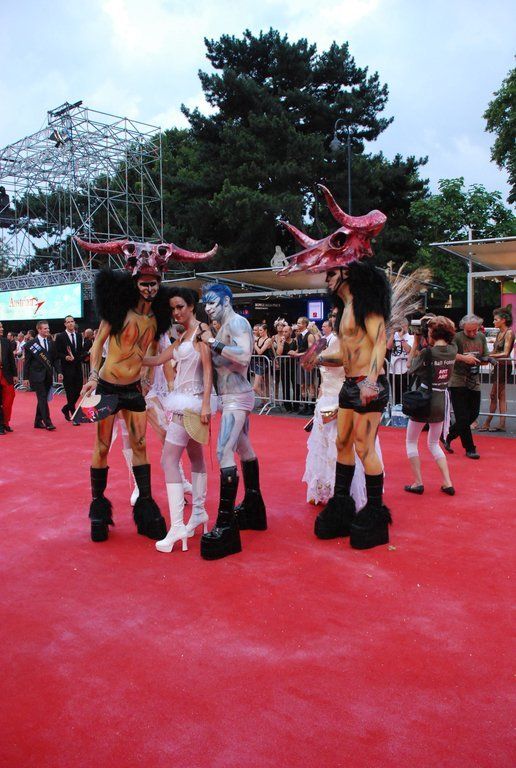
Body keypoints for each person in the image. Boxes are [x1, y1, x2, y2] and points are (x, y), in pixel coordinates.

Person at [76, 236, 216, 542]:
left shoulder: (156, 320)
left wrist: (150, 377)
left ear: (159, 284)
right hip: (107, 387)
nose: (149, 288)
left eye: (154, 283)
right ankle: (98, 510)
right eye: (144, 283)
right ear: (135, 282)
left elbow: (153, 352)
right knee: (102, 446)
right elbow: (98, 345)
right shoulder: (118, 312)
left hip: (134, 391)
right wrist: (94, 376)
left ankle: (146, 508)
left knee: (140, 445)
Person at [280, 183, 391, 549]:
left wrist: (371, 381)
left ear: (344, 270)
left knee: (364, 448)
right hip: (349, 385)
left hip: (368, 386)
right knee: (343, 443)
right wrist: (316, 357)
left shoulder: (366, 303)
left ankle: (375, 513)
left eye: (330, 273)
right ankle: (342, 507)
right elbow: (345, 355)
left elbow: (380, 342)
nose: (326, 278)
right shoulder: (344, 311)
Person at [143, 288, 217, 553]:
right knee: (195, 457)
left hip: (192, 405)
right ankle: (198, 513)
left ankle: (177, 526)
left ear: (192, 306)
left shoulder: (201, 332)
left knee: (168, 459)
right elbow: (157, 360)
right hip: (185, 403)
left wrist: (206, 404)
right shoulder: (183, 336)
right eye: (172, 308)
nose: (176, 312)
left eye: (180, 307)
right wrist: (129, 354)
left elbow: (208, 370)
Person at [196, 283, 267, 560]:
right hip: (231, 397)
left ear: (226, 301)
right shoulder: (223, 326)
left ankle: (226, 524)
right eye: (206, 304)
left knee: (223, 451)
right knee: (243, 448)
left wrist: (212, 342)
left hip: (237, 398)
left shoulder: (237, 322)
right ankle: (253, 506)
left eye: (213, 303)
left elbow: (244, 355)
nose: (208, 308)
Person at [303, 336, 383, 508]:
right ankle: (327, 490)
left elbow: (346, 361)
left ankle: (352, 496)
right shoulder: (326, 341)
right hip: (326, 401)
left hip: (345, 400)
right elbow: (318, 371)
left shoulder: (357, 342)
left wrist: (317, 358)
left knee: (349, 448)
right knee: (327, 448)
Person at [404, 316, 457, 495]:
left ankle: (418, 482)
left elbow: (410, 367)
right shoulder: (453, 350)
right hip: (441, 400)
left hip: (424, 399)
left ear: (432, 333)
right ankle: (447, 482)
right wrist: (437, 321)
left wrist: (416, 342)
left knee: (411, 441)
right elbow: (451, 332)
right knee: (434, 443)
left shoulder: (428, 352)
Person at [442, 314, 488, 459]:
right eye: (469, 331)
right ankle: (470, 448)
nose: (473, 333)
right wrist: (464, 358)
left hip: (474, 380)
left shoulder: (481, 337)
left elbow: (484, 356)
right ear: (463, 328)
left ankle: (448, 434)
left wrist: (486, 359)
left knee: (473, 414)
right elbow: (448, 353)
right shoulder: (457, 337)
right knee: (462, 416)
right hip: (457, 380)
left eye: (475, 330)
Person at [478, 305, 514, 432]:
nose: (493, 321)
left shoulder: (509, 333)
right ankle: (501, 423)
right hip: (498, 366)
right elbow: (495, 351)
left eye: (495, 319)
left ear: (503, 320)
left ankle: (488, 422)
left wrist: (487, 356)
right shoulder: (500, 333)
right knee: (500, 395)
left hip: (504, 366)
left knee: (494, 394)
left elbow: (505, 353)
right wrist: (486, 355)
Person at [23, 320, 61, 430]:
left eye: (48, 328)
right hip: (36, 376)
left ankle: (37, 421)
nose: (48, 330)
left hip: (48, 375)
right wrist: (25, 377)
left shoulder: (51, 343)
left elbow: (55, 359)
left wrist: (59, 372)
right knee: (42, 397)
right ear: (39, 330)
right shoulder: (31, 344)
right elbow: (27, 363)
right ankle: (48, 422)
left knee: (42, 399)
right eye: (45, 328)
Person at [55, 315, 85, 425]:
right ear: (65, 324)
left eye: (72, 321)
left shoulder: (79, 336)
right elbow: (57, 352)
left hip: (77, 367)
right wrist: (65, 357)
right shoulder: (60, 336)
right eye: (68, 322)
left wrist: (85, 355)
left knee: (79, 389)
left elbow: (80, 351)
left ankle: (66, 408)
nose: (70, 323)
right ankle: (74, 415)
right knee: (70, 391)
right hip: (66, 368)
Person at [386, 318, 413, 405]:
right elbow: (388, 347)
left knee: (405, 395)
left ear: (406, 326)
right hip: (393, 371)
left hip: (405, 371)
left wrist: (401, 338)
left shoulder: (411, 337)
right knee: (395, 395)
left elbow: (408, 350)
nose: (400, 327)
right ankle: (396, 409)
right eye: (399, 325)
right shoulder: (394, 336)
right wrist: (392, 334)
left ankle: (405, 410)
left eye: (402, 325)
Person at [0, 321, 18, 433]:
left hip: (6, 375)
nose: (2, 329)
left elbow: (11, 359)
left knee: (9, 399)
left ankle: (6, 422)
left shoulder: (6, 342)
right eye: (0, 327)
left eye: (2, 327)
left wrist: (15, 374)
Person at [252, 323, 274, 400]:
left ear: (265, 330)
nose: (259, 332)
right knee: (262, 384)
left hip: (263, 364)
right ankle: (265, 402)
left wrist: (254, 344)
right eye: (258, 330)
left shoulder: (268, 340)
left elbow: (260, 352)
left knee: (255, 387)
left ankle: (266, 402)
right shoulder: (258, 339)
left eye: (261, 330)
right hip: (257, 363)